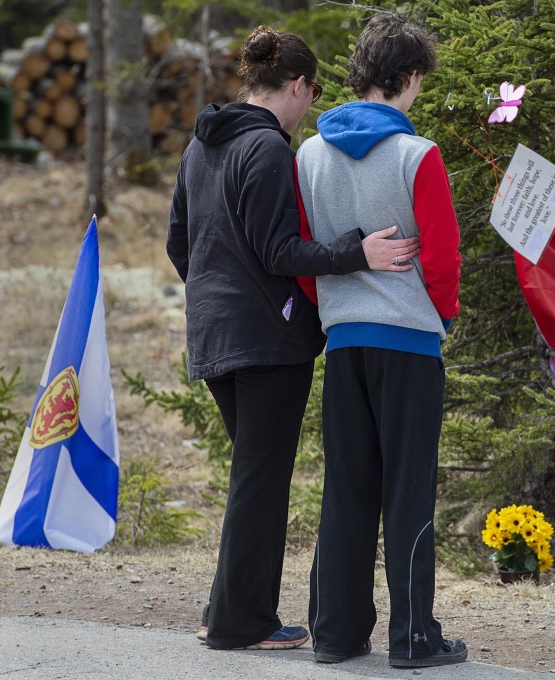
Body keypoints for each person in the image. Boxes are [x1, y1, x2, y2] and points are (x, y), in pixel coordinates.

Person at [166, 25, 420, 651]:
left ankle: (223, 609)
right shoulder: (269, 150)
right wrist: (355, 251)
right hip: (266, 341)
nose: (310, 111)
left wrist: (214, 296)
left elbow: (180, 244)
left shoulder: (202, 147)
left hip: (210, 334)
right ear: (300, 85)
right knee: (261, 474)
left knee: (252, 473)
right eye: (312, 95)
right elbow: (283, 251)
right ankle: (239, 623)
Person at [294, 12, 466, 669]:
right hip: (410, 342)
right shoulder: (417, 155)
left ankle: (335, 634)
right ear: (411, 75)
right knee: (407, 492)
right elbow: (443, 258)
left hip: (343, 342)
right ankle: (415, 637)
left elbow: (309, 254)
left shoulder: (309, 154)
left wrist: (332, 312)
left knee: (347, 489)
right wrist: (441, 319)